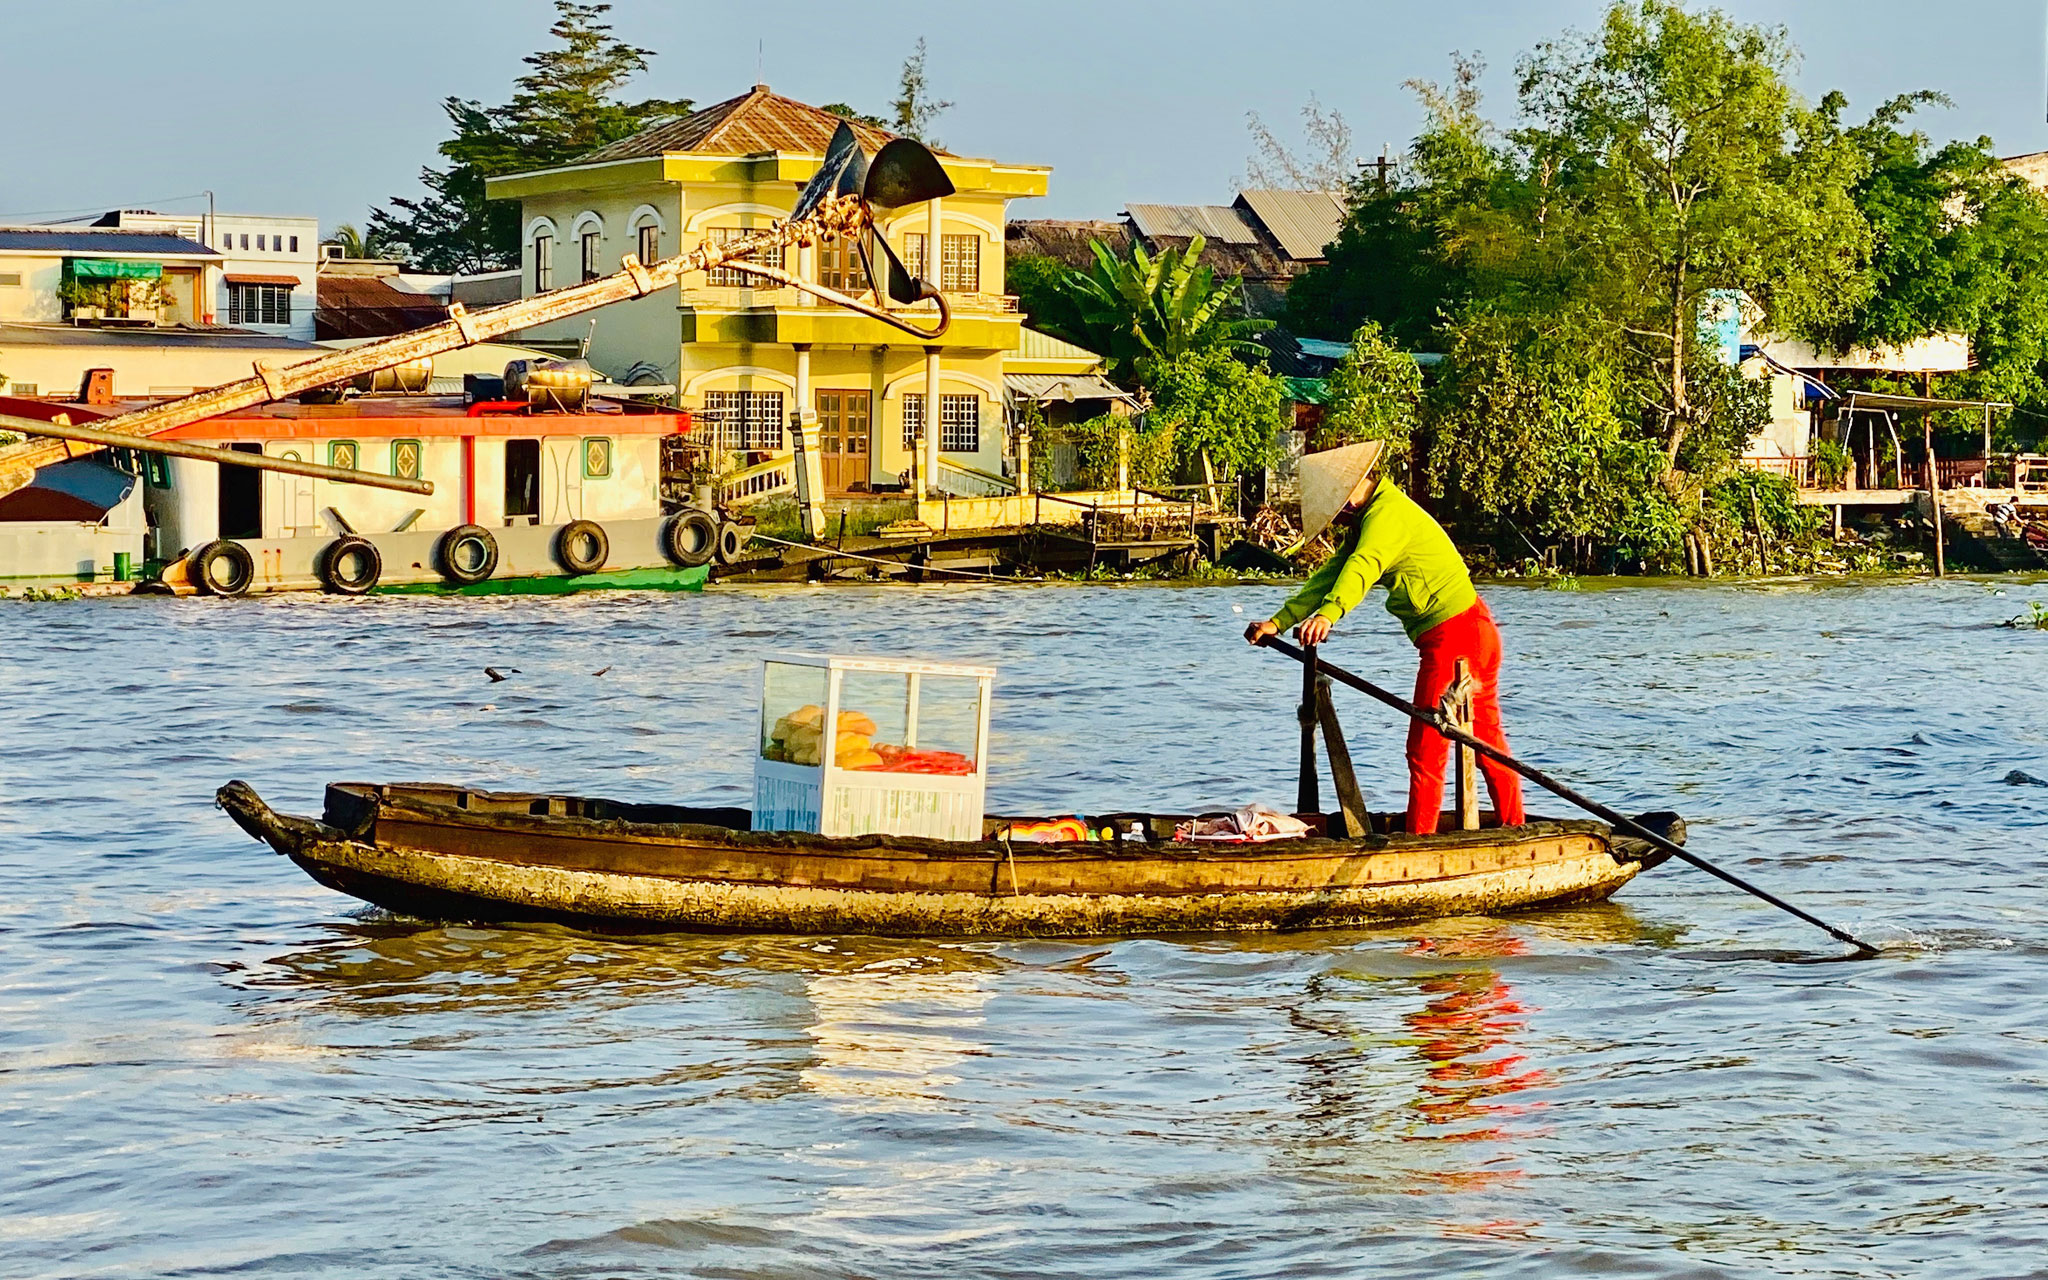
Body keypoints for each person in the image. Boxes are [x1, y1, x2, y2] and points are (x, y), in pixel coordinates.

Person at [1244, 440, 1524, 834]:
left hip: (1458, 634)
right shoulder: (1367, 520)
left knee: (1428, 749)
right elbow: (1330, 575)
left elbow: (1363, 566)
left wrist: (1329, 614)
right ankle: (1513, 827)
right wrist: (1280, 621)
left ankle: (1425, 839)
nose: (1337, 518)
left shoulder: (1386, 516)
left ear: (1351, 493)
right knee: (1483, 741)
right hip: (1466, 631)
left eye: (1337, 509)